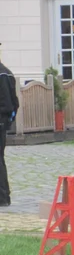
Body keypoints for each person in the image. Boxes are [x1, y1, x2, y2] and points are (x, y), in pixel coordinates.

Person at [0, 50, 19, 207]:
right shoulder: (8, 73)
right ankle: (4, 196)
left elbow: (9, 103)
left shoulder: (3, 74)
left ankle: (3, 197)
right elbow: (15, 103)